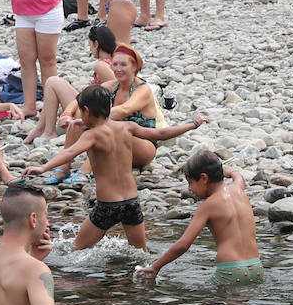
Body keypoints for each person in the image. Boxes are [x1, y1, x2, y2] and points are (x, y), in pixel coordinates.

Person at [23, 84, 208, 249]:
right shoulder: (127, 127)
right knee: (140, 253)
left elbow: (69, 153)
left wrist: (43, 168)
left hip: (108, 206)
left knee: (75, 250)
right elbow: (161, 132)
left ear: (86, 110)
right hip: (131, 202)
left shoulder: (92, 135)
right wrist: (193, 124)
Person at [36, 44, 176, 186]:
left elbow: (124, 110)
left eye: (123, 65)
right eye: (115, 64)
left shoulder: (142, 89)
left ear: (134, 67)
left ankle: (86, 171)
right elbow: (81, 98)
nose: (118, 69)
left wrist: (93, 120)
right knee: (77, 124)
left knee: (102, 127)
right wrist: (67, 114)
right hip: (117, 141)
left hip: (142, 146)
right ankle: (63, 167)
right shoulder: (113, 85)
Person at [137, 150, 263, 283]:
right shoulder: (238, 189)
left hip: (231, 271)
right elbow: (238, 176)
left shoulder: (208, 206)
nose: (190, 188)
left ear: (204, 178)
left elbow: (183, 245)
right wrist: (230, 172)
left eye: (191, 182)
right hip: (256, 267)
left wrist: (155, 267)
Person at [3, 0, 76, 124]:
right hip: (23, 13)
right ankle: (29, 106)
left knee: (47, 60)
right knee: (26, 60)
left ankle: (50, 107)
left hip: (47, 11)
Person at [26, 23, 118, 146]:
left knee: (52, 82)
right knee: (52, 85)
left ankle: (48, 132)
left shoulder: (101, 65)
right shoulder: (113, 62)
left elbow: (116, 87)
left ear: (96, 44)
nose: (90, 49)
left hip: (95, 112)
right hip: (97, 109)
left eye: (90, 45)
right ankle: (40, 129)